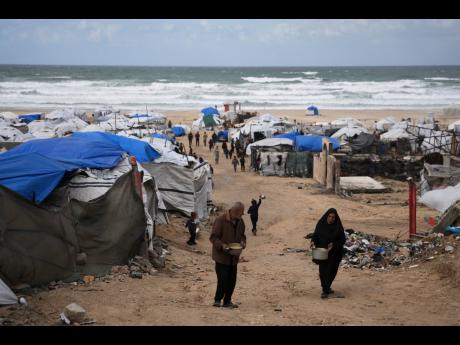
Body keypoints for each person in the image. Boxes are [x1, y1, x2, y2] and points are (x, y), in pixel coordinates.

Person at [209, 202, 246, 308]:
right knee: (222, 279)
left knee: (232, 280)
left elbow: (243, 236)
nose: (242, 215)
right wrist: (222, 245)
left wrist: (243, 242)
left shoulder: (240, 222)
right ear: (235, 211)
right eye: (241, 213)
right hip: (221, 257)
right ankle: (217, 300)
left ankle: (227, 301)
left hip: (234, 257)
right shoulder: (221, 220)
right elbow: (213, 237)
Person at [311, 208, 346, 299]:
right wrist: (313, 242)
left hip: (334, 253)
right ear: (326, 216)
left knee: (331, 271)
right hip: (322, 252)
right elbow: (315, 235)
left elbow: (342, 240)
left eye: (333, 217)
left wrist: (333, 244)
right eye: (329, 216)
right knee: (322, 271)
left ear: (335, 218)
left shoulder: (338, 227)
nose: (331, 219)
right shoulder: (321, 224)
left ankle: (326, 288)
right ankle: (325, 289)